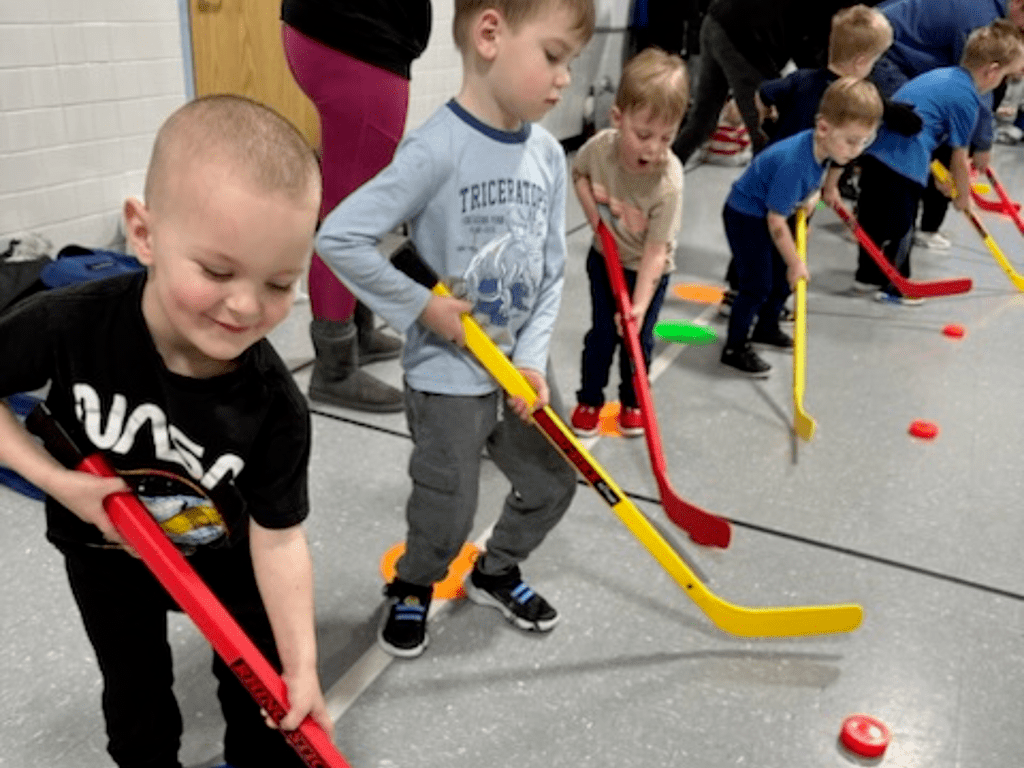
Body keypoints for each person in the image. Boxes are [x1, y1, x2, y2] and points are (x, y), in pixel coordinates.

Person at [0, 96, 330, 768]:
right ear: (144, 234)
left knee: (260, 699)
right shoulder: (71, 324)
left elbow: (281, 536)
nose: (246, 306)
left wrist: (301, 669)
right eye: (216, 271)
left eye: (279, 283)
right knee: (136, 695)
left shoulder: (275, 407)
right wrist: (57, 483)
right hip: (107, 558)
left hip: (227, 562)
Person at [315, 0, 595, 658]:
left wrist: (530, 360)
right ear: (491, 35)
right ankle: (414, 584)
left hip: (520, 373)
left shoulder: (549, 157)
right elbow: (342, 237)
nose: (563, 79)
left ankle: (496, 569)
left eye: (570, 64)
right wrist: (421, 307)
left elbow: (552, 273)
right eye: (553, 57)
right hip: (448, 378)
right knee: (448, 509)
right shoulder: (436, 148)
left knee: (553, 482)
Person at [281, 0, 433, 412]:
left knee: (359, 205)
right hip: (357, 36)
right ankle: (334, 370)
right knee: (348, 217)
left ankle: (357, 331)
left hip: (347, 31)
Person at [717, 4, 900, 313]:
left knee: (759, 234)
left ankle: (747, 291)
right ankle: (759, 294)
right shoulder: (849, 102)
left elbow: (764, 93)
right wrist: (830, 186)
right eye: (876, 60)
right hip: (798, 180)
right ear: (861, 61)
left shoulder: (801, 78)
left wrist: (764, 122)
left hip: (773, 171)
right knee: (782, 236)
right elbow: (838, 155)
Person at [831, 20, 1024, 305]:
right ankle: (900, 285)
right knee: (901, 226)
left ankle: (866, 278)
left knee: (872, 217)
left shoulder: (941, 75)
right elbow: (959, 154)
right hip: (904, 164)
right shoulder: (967, 98)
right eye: (1006, 77)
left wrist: (937, 174)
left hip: (874, 154)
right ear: (991, 71)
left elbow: (927, 126)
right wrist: (963, 196)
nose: (1002, 83)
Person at [720, 77, 884, 376]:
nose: (856, 150)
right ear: (823, 128)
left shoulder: (823, 148)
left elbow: (812, 180)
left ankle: (766, 327)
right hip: (747, 216)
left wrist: (811, 196)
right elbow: (775, 219)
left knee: (783, 281)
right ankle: (735, 347)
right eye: (851, 141)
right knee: (757, 285)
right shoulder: (794, 163)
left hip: (771, 213)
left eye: (864, 141)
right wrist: (795, 261)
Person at [568, 47, 687, 438]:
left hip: (647, 270)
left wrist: (637, 305)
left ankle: (633, 402)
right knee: (602, 334)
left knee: (638, 340)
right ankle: (589, 398)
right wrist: (594, 219)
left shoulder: (667, 182)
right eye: (643, 134)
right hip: (605, 259)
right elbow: (580, 175)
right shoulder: (600, 149)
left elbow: (656, 251)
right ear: (618, 119)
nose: (653, 148)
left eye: (666, 137)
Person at [871, 0, 1024, 251]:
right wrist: (982, 147)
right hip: (885, 52)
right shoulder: (979, 19)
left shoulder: (990, 17)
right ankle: (886, 221)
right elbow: (978, 96)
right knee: (911, 135)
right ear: (1018, 4)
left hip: (905, 51)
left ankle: (917, 219)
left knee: (930, 136)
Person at [670, 0, 878, 166]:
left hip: (718, 18)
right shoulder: (840, 10)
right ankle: (764, 209)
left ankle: (660, 175)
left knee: (703, 119)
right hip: (744, 35)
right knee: (768, 133)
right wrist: (830, 81)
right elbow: (807, 41)